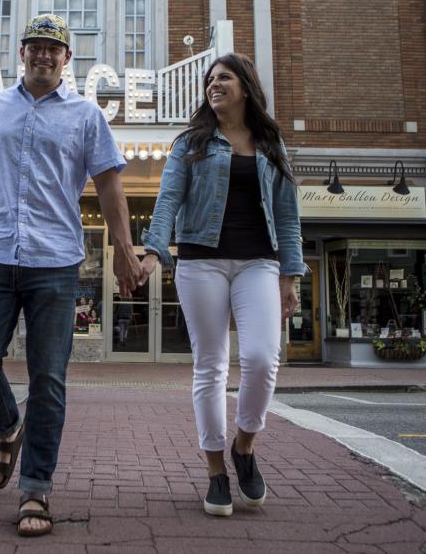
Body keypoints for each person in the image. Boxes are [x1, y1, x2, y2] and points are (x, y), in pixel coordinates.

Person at [0, 13, 141, 537]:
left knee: (49, 380)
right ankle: (6, 427)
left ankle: (35, 487)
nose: (43, 55)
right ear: (21, 53)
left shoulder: (86, 116)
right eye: (34, 46)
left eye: (53, 49)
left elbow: (109, 187)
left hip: (56, 262)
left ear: (66, 59)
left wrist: (123, 249)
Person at [140, 53, 306, 517]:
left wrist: (290, 276)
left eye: (224, 78)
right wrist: (154, 251)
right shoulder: (192, 142)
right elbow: (169, 197)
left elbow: (289, 216)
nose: (214, 85)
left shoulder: (271, 143)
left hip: (259, 262)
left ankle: (244, 446)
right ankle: (215, 470)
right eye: (210, 80)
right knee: (211, 365)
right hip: (201, 263)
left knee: (261, 358)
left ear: (246, 87)